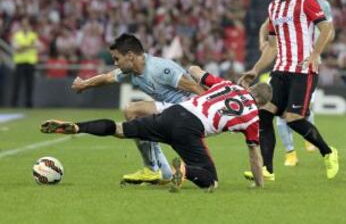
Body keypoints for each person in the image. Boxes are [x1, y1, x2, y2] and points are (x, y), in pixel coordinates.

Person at [40, 66, 271, 191]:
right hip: (190, 128)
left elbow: (195, 69)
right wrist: (259, 183)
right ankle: (184, 171)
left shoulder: (227, 85)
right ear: (261, 104)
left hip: (172, 113)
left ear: (250, 89)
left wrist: (202, 75)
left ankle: (76, 127)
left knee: (121, 129)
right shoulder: (252, 117)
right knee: (211, 181)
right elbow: (254, 153)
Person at [239, 0, 339, 181]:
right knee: (264, 115)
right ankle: (267, 170)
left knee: (293, 118)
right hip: (280, 71)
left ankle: (329, 152)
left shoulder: (305, 1)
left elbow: (326, 28)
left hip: (302, 71)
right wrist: (255, 70)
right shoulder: (273, 7)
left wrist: (314, 55)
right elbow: (272, 46)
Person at [70, 33, 204, 184]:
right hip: (173, 113)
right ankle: (163, 173)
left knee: (132, 111)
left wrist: (213, 110)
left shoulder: (159, 68)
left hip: (190, 112)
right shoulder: (132, 71)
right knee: (140, 119)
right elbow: (107, 77)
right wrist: (84, 84)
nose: (115, 63)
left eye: (116, 58)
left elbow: (194, 87)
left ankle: (152, 169)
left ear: (130, 56)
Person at [11, 18, 39, 108]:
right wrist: (30, 46)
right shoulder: (17, 35)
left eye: (26, 24)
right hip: (20, 63)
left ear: (29, 25)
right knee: (16, 85)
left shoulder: (33, 35)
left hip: (30, 62)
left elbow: (38, 46)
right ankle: (14, 104)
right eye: (23, 24)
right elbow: (16, 48)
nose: (25, 26)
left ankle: (29, 104)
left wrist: (23, 46)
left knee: (30, 85)